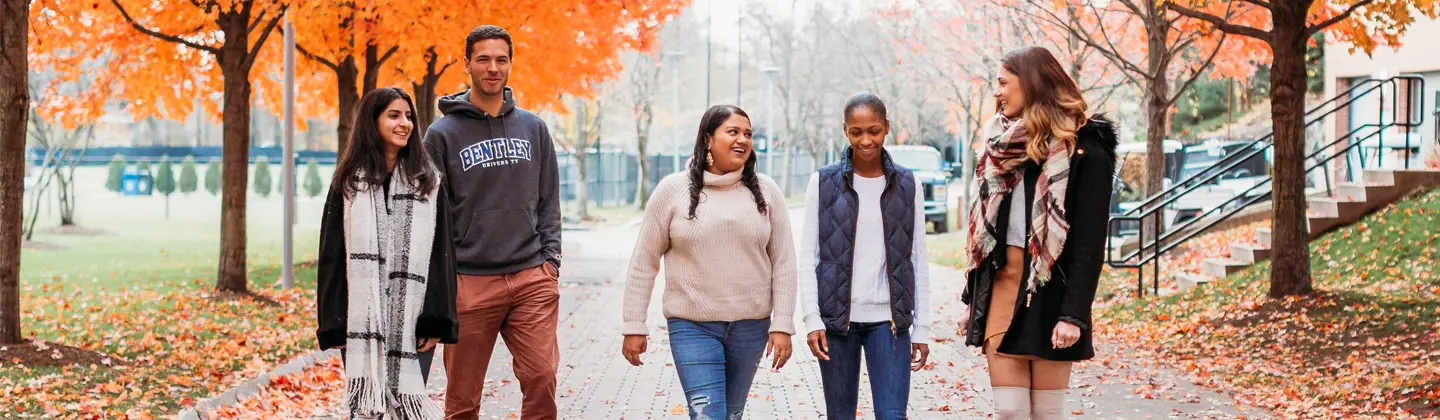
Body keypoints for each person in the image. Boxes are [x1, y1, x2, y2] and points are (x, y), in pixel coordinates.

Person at [955, 46, 1117, 420]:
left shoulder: (1084, 150)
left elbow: (1089, 245)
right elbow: (985, 236)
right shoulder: (999, 146)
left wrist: (1074, 315)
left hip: (1050, 295)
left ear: (1031, 84)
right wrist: (971, 298)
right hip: (1002, 291)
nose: (997, 92)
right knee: (1010, 411)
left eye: (1003, 83)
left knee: (1046, 414)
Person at [620, 105, 798, 420]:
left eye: (748, 134)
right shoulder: (672, 191)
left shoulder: (766, 192)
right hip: (692, 327)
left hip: (750, 327)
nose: (742, 139)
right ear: (708, 139)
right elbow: (643, 262)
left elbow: (784, 262)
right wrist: (634, 325)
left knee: (731, 414)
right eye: (733, 132)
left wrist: (782, 324)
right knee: (708, 415)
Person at [422, 25, 563, 420]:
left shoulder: (533, 128)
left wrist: (551, 260)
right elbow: (430, 213)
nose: (493, 68)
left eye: (501, 59)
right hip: (470, 282)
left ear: (510, 64)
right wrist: (445, 281)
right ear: (467, 64)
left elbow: (549, 198)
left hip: (530, 276)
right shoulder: (441, 134)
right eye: (483, 59)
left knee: (542, 376)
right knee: (463, 399)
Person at [316, 87, 458, 420]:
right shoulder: (348, 183)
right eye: (394, 115)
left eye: (408, 116)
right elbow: (331, 257)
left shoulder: (429, 183)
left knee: (407, 411)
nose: (404, 123)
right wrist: (334, 323)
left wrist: (436, 320)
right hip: (361, 320)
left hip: (415, 321)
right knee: (367, 410)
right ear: (372, 122)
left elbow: (442, 256)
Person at [799, 92, 932, 420]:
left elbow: (917, 258)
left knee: (892, 415)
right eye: (856, 132)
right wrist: (812, 318)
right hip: (836, 321)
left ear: (887, 127)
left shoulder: (907, 183)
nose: (866, 140)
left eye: (874, 131)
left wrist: (922, 327)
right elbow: (809, 257)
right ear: (845, 130)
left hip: (889, 322)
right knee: (840, 415)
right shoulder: (823, 182)